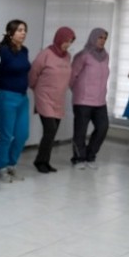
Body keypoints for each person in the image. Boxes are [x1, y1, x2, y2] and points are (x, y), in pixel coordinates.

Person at [30, 26, 75, 173]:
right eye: (66, 41)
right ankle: (40, 162)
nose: (68, 44)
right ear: (59, 38)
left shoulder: (68, 56)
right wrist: (35, 88)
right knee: (50, 130)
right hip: (44, 97)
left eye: (70, 42)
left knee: (52, 133)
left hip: (58, 99)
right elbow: (33, 74)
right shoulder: (46, 54)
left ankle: (45, 161)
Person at [0, 19, 30, 182]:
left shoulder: (24, 51)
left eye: (24, 30)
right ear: (10, 33)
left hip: (23, 98)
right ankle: (1, 168)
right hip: (5, 96)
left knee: (22, 134)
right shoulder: (2, 50)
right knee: (7, 135)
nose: (23, 33)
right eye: (20, 30)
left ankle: (11, 165)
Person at [70, 28, 110, 170]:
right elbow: (71, 76)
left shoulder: (106, 56)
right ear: (93, 38)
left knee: (103, 128)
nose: (102, 40)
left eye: (105, 38)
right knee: (80, 131)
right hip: (83, 100)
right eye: (100, 37)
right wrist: (78, 92)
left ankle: (90, 155)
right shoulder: (83, 55)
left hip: (100, 101)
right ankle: (78, 158)